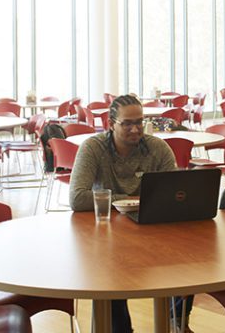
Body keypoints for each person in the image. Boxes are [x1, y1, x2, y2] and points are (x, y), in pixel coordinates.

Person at [69, 94, 193, 333]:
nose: (135, 129)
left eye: (139, 121)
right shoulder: (93, 148)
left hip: (151, 231)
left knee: (188, 258)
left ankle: (176, 322)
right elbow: (77, 197)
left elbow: (177, 192)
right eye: (127, 123)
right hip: (106, 234)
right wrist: (129, 201)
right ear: (110, 123)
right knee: (110, 270)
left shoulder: (156, 148)